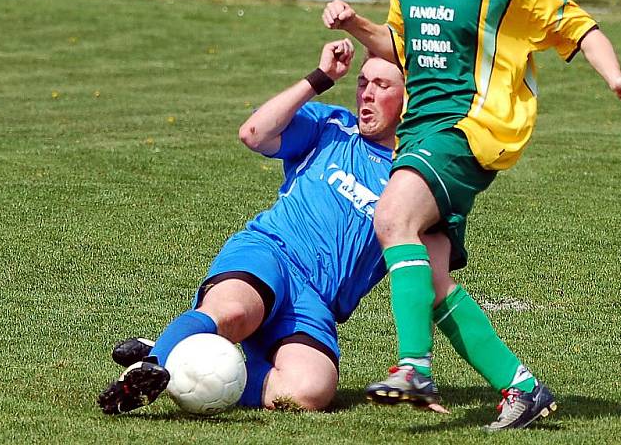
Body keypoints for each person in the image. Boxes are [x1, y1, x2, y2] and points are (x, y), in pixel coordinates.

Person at [322, 0, 621, 431]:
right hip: (421, 131)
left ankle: (413, 367)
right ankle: (522, 389)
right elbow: (399, 46)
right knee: (431, 279)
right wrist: (357, 24)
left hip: (472, 131)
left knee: (392, 218)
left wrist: (615, 77)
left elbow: (581, 28)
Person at [98, 39, 411, 414]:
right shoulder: (330, 126)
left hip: (313, 302)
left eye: (382, 85)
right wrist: (322, 77)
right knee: (231, 313)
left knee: (309, 391)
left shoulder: (414, 176)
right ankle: (150, 369)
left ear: (411, 99)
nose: (367, 94)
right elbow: (254, 133)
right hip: (271, 254)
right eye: (363, 82)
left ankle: (178, 352)